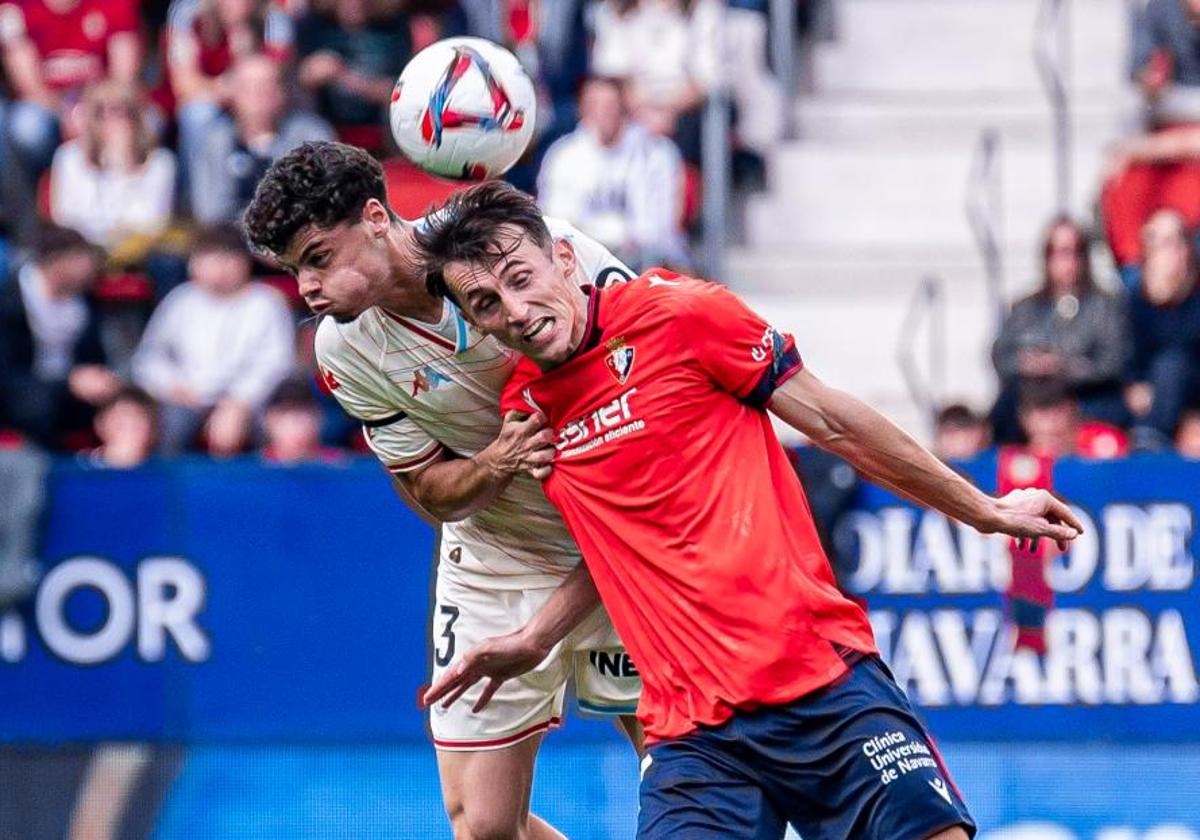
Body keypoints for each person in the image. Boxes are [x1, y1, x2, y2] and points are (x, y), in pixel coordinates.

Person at [416, 182, 1085, 840]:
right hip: (694, 740)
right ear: (477, 324)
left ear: (563, 258)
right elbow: (613, 545)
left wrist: (982, 509)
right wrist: (538, 636)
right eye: (488, 302)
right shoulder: (528, 413)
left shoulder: (680, 315)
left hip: (818, 682)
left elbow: (834, 422)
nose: (517, 308)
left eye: (520, 276)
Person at [241, 140, 641, 840]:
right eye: (292, 270)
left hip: (623, 538)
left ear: (374, 217)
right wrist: (497, 464)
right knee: (483, 827)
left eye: (317, 258)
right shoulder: (342, 352)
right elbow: (427, 490)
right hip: (498, 557)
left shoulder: (531, 253)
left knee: (687, 773)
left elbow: (652, 365)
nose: (305, 287)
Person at [131, 222, 296, 455]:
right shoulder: (180, 301)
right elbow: (148, 358)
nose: (220, 268)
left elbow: (277, 364)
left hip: (251, 400)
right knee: (167, 423)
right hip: (186, 397)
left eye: (228, 259)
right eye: (210, 259)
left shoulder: (266, 303)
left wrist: (239, 401)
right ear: (194, 263)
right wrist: (173, 385)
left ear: (245, 263)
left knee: (275, 423)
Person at [990, 216, 1129, 442]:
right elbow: (1001, 355)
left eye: (1074, 251)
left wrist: (1065, 367)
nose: (1067, 261)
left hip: (1085, 394)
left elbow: (1113, 361)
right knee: (1004, 409)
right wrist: (1026, 364)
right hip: (1034, 395)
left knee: (1113, 410)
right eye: (1058, 252)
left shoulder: (1105, 305)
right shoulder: (1025, 307)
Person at [537, 75, 689, 271]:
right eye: (594, 105)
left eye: (609, 105)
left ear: (623, 107)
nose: (602, 113)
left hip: (650, 263)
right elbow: (558, 222)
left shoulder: (656, 152)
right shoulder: (563, 155)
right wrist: (615, 233)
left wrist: (595, 230)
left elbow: (655, 231)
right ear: (582, 109)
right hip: (582, 261)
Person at [0, 224, 121, 450]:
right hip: (20, 394)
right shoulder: (9, 303)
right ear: (57, 261)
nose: (93, 267)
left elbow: (94, 356)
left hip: (74, 391)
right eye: (83, 259)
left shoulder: (86, 302)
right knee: (39, 406)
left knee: (126, 403)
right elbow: (7, 375)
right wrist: (66, 384)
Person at [189, 53, 334, 223]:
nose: (261, 95)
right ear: (233, 93)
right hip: (233, 241)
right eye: (250, 87)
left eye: (269, 85)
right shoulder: (215, 140)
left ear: (283, 91)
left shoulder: (312, 135)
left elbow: (322, 202)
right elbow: (209, 212)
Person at [1126, 208, 1200, 450]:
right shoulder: (1134, 298)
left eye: (1181, 240)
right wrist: (1133, 384)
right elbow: (1125, 354)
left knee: (1171, 364)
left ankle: (1152, 438)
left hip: (1190, 390)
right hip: (1146, 393)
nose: (1175, 250)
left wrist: (1172, 293)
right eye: (1166, 242)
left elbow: (1187, 347)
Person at [84, 384, 158, 468]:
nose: (129, 423)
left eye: (138, 417)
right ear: (100, 424)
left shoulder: (168, 473)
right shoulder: (77, 470)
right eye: (120, 417)